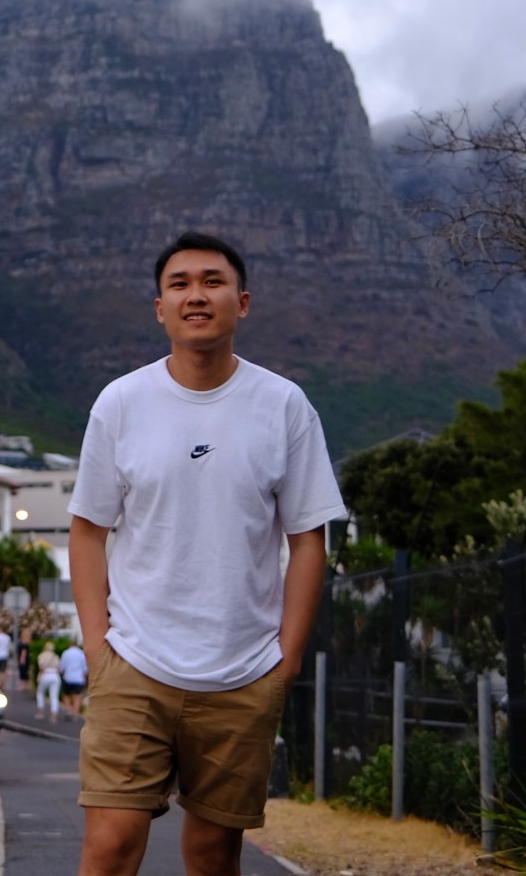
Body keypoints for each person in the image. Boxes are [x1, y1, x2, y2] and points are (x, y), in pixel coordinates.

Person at [68, 231, 346, 876]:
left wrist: (285, 660)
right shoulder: (121, 403)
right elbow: (86, 529)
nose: (197, 295)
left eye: (213, 282)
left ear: (241, 303)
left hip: (243, 672)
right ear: (159, 308)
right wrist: (97, 646)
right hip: (134, 663)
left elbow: (308, 539)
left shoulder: (283, 405)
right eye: (180, 284)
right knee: (110, 845)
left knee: (213, 854)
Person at [59, 639, 88, 720]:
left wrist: (61, 672)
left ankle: (69, 710)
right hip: (78, 678)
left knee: (66, 695)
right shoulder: (81, 653)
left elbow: (62, 666)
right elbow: (85, 668)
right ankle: (75, 713)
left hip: (68, 677)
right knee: (77, 696)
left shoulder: (66, 653)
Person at [35, 641, 62, 721]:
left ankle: (41, 712)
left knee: (40, 692)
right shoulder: (56, 656)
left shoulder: (42, 655)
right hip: (55, 675)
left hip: (46, 674)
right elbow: (59, 668)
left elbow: (41, 667)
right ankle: (53, 715)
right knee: (54, 696)